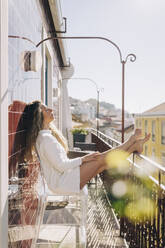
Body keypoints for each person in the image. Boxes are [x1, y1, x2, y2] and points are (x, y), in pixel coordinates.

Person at [14, 100, 150, 195]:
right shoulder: (45, 139)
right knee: (101, 159)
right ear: (38, 116)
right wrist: (84, 159)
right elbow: (61, 165)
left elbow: (60, 164)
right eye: (45, 109)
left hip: (64, 179)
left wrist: (83, 160)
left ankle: (133, 145)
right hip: (63, 182)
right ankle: (132, 142)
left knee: (104, 163)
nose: (50, 109)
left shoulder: (45, 137)